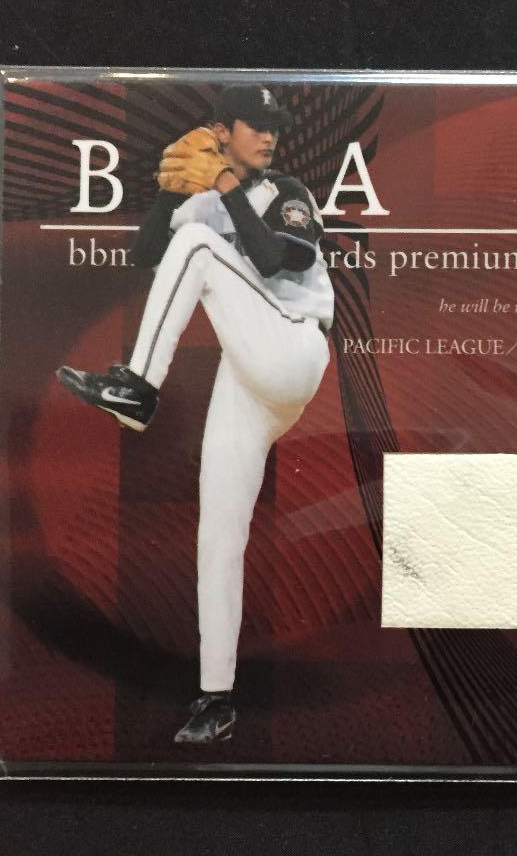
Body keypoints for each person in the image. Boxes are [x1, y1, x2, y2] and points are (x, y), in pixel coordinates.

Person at [57, 85, 333, 745]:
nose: (270, 135)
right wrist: (167, 191)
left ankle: (138, 388)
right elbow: (144, 255)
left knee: (202, 247)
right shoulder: (207, 199)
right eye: (255, 123)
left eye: (275, 124)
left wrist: (226, 184)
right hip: (246, 373)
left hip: (292, 347)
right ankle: (217, 698)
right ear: (221, 131)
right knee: (219, 532)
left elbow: (274, 258)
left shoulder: (288, 190)